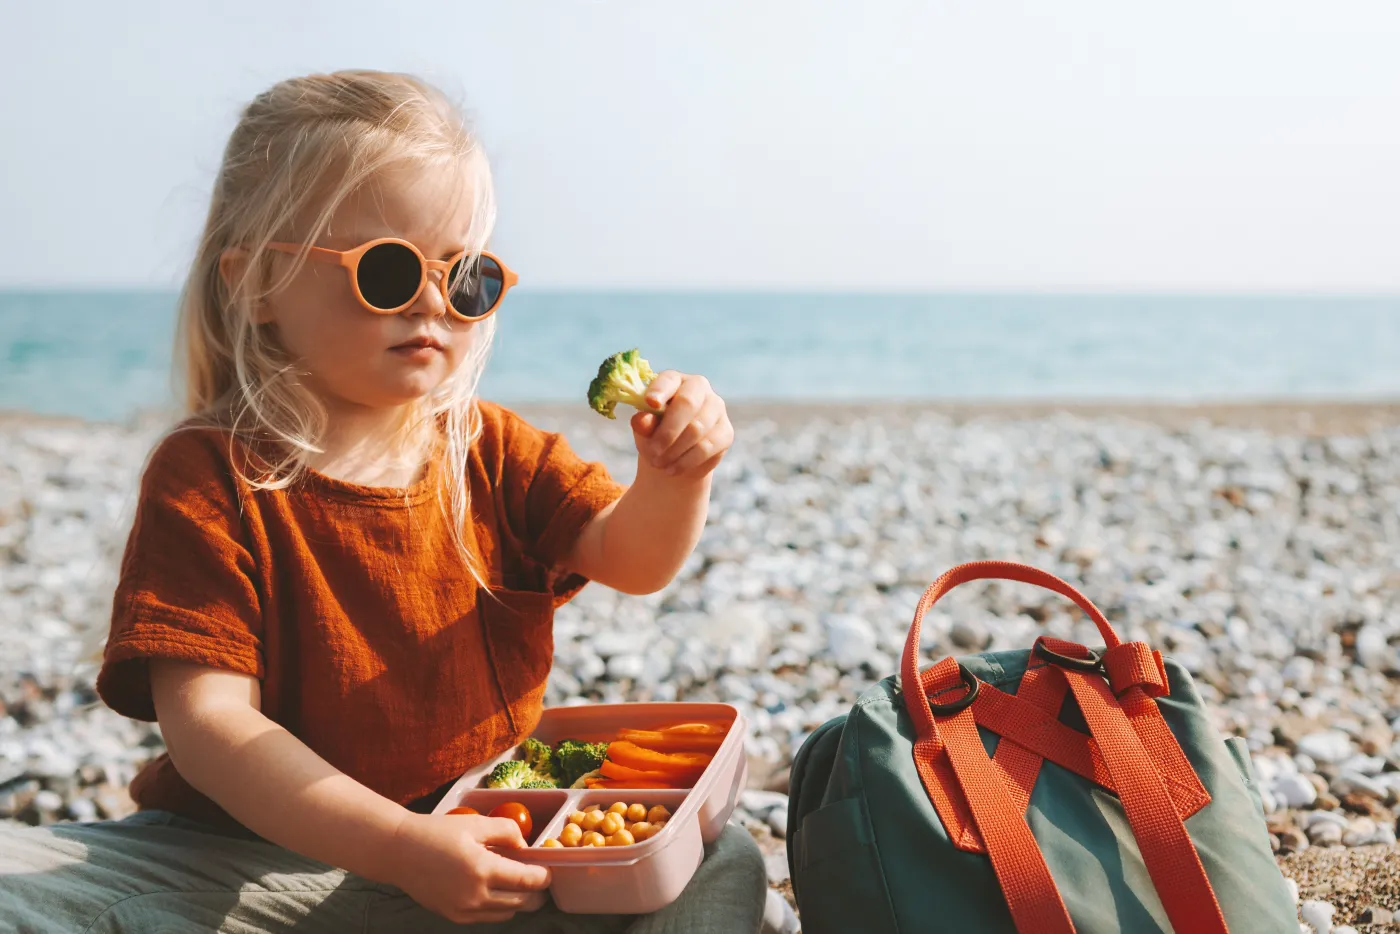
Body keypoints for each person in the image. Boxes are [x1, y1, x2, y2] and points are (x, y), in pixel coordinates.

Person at [0, 69, 765, 933]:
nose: (436, 303)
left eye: (467, 276)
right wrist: (398, 847)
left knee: (715, 865)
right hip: (238, 858)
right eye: (389, 271)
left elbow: (631, 558)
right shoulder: (213, 473)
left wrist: (674, 478)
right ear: (256, 285)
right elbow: (210, 727)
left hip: (465, 833)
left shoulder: (486, 447)